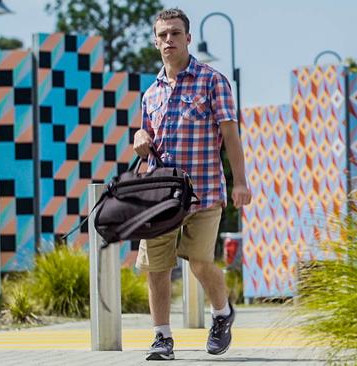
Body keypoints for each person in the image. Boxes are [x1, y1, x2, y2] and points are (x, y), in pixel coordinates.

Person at [132, 8, 252, 361]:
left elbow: (231, 135)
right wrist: (140, 135)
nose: (169, 40)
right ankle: (162, 338)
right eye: (163, 35)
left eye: (175, 33)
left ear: (187, 37)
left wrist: (240, 182)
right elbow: (147, 138)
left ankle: (221, 313)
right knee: (158, 266)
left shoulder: (212, 81)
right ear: (156, 42)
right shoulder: (150, 93)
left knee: (199, 261)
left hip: (204, 192)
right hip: (160, 195)